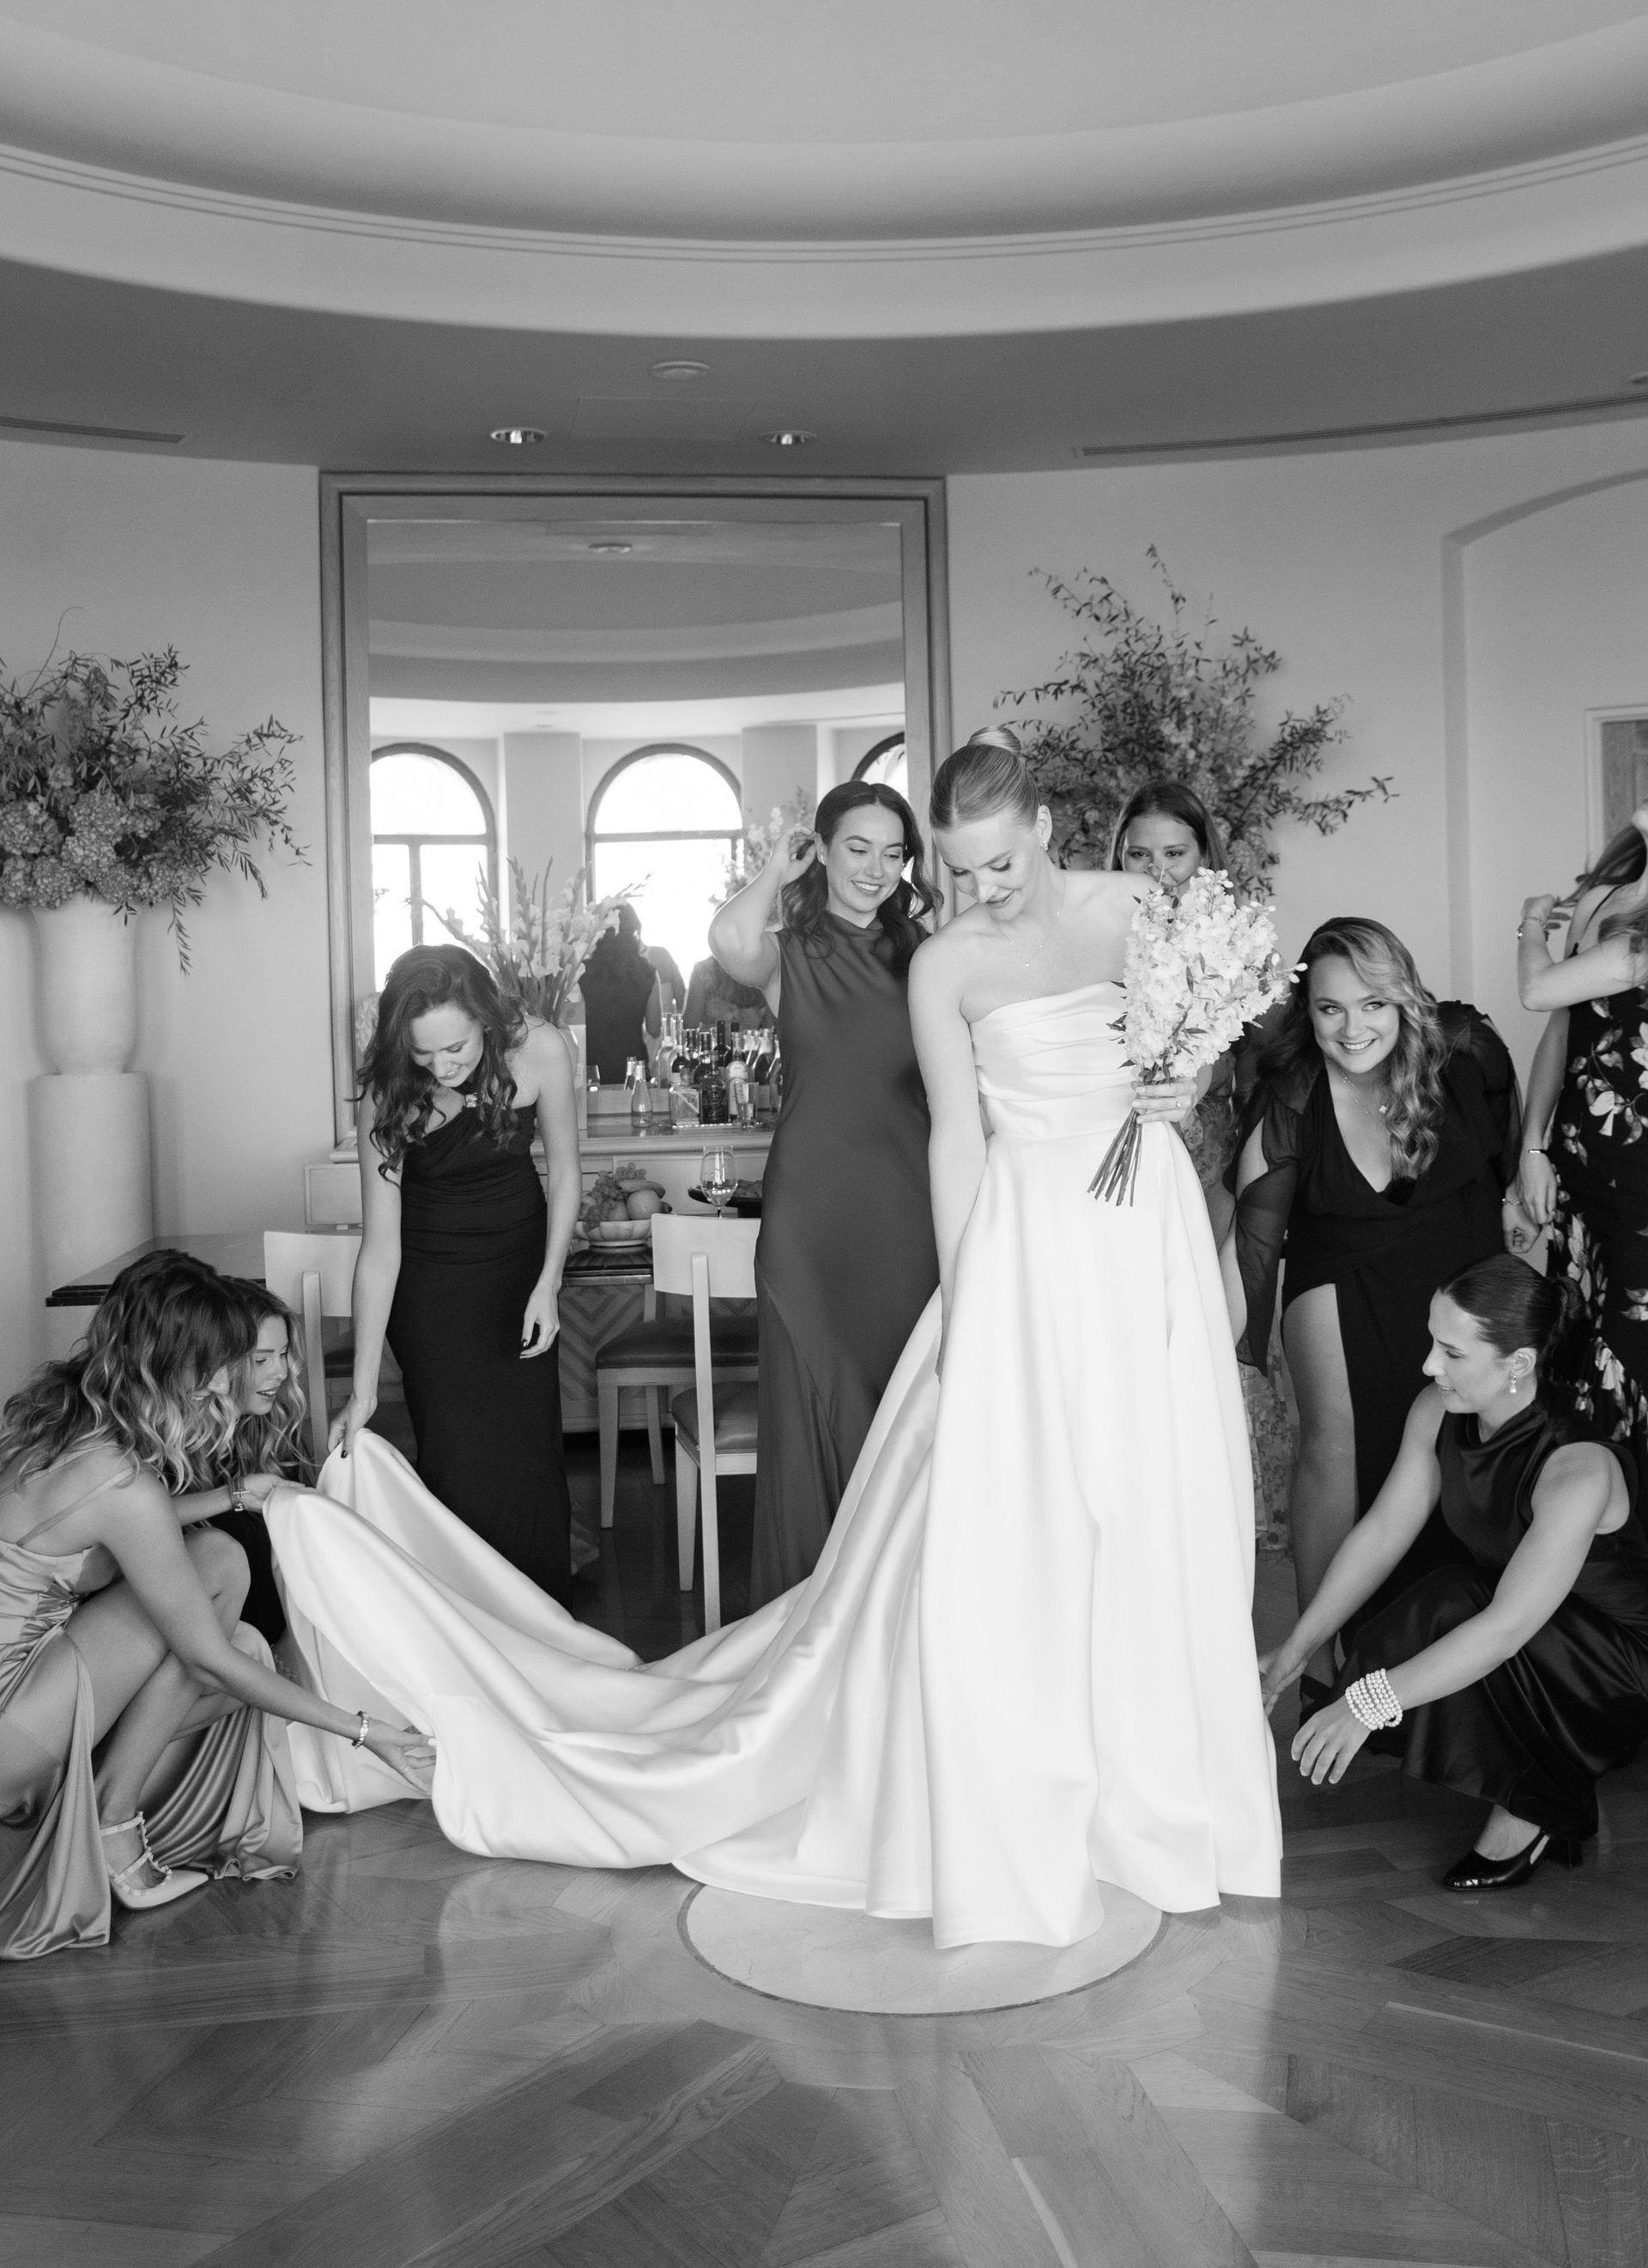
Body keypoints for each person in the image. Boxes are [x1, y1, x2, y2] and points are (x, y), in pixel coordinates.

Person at [265, 723, 1281, 1949]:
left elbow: (1197, 1047)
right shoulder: (943, 961)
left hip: (1141, 1225)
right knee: (1024, 1504)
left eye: (999, 865)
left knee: (1156, 1491)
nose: (982, 891)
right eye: (960, 871)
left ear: (1048, 832)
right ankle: (1038, 1779)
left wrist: (1183, 1081)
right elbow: (959, 1140)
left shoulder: (1141, 906)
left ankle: (1161, 1787)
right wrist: (972, 1302)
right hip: (1024, 1237)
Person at [0, 1253, 431, 1961]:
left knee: (250, 1643)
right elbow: (202, 1652)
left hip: (25, 1691)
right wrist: (366, 1731)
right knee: (223, 1576)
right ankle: (112, 1821)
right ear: (175, 1364)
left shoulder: (70, 1421)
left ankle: (98, 1801)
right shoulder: (122, 1482)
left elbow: (109, 1530)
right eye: (220, 1363)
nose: (231, 1381)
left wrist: (232, 1494)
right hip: (12, 1724)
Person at [1263, 1256, 1648, 1888]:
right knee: (1439, 1601)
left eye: (1451, 1352)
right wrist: (1299, 1648)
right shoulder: (1438, 1409)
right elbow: (1383, 1532)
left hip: (1619, 1663)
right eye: (1432, 1342)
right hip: (1533, 1631)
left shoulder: (1577, 1469)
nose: (1428, 1366)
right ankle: (1541, 1773)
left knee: (1461, 1611)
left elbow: (1506, 1628)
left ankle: (1534, 1805)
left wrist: (1367, 1703)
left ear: (1517, 1364)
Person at [1223, 918, 1523, 1706]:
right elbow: (1252, 1248)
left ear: (1405, 1001)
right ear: (1307, 1011)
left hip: (1454, 1263)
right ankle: (1317, 1663)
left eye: (1373, 1005)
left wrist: (1526, 1180)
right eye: (1330, 1008)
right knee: (1334, 1445)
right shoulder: (1291, 1095)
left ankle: (1442, 1656)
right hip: (1336, 1270)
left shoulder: (1467, 1052)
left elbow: (1506, 1142)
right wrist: (1196, 1357)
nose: (1352, 1028)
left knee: (1455, 1443)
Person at [708, 779, 941, 1604]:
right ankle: (812, 1612)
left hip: (908, 1209)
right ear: (825, 850)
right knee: (815, 1398)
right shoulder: (790, 953)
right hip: (811, 1213)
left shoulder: (926, 952)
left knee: (902, 1402)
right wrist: (776, 868)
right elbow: (728, 938)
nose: (876, 869)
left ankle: (895, 1610)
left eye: (893, 853)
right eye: (857, 848)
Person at [330, 944, 581, 1602]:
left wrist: (548, 1283)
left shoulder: (542, 1048)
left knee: (528, 1459)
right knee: (459, 1463)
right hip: (433, 1297)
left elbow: (566, 1173)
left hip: (520, 1278)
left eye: (456, 1048)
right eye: (424, 1053)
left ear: (485, 1017)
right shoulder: (388, 1095)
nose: (442, 1066)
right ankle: (471, 1626)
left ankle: (542, 1618)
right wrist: (362, 1391)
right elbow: (379, 1251)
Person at [1110, 778, 1293, 1544]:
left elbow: (1255, 1050)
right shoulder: (1097, 932)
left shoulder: (1233, 935)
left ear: (1203, 855)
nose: (1158, 872)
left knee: (1207, 1326)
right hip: (1111, 1149)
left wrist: (1197, 1075)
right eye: (1140, 855)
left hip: (1204, 1157)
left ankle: (1216, 1521)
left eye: (1175, 854)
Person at [1514, 800, 1648, 1492]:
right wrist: (1531, 1149)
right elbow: (1560, 1031)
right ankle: (1584, 1533)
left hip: (1641, 1185)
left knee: (1632, 1359)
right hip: (1581, 1168)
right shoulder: (1603, 897)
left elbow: (1538, 990)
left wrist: (1531, 923)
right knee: (1572, 1347)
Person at [179, 1279, 308, 1651]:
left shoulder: (270, 1431)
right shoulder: (179, 1441)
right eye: (261, 1360)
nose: (281, 1372)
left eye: (284, 1354)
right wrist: (234, 1495)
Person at [581, 905, 662, 1087]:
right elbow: (654, 1029)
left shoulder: (582, 971)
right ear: (634, 929)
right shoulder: (647, 972)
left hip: (592, 1070)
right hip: (633, 1069)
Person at [682, 953, 773, 1037]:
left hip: (751, 1048)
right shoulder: (704, 971)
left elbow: (771, 1033)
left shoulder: (765, 973)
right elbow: (689, 1028)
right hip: (712, 1048)